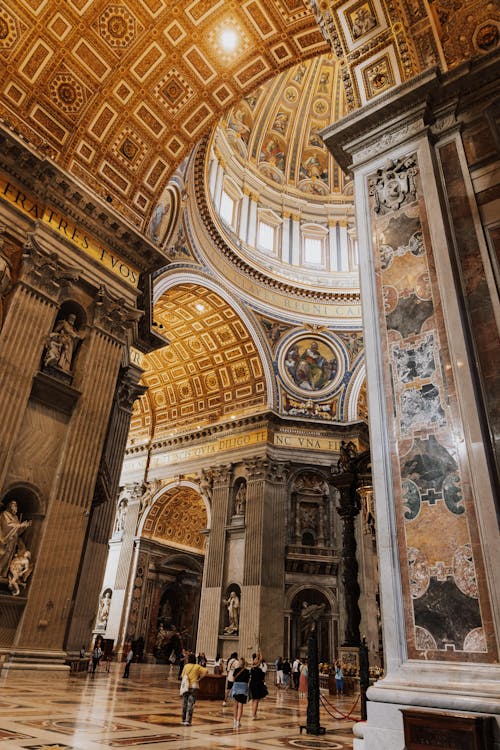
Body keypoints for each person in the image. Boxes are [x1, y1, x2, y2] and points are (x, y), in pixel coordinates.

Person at [0, 499, 31, 579]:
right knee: (3, 554)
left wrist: (24, 526)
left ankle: (2, 572)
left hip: (12, 542)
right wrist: (19, 525)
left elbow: (18, 531)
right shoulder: (5, 514)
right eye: (14, 506)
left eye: (16, 506)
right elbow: (7, 526)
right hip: (5, 540)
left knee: (8, 557)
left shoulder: (16, 517)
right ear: (10, 506)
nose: (16, 508)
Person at [180, 652, 207, 726]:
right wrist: (200, 678)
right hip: (194, 686)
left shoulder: (186, 666)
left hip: (186, 687)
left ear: (188, 659)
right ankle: (188, 721)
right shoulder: (197, 666)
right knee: (190, 704)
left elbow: (182, 676)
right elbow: (206, 671)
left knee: (184, 704)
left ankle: (183, 719)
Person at [230, 657, 250, 729]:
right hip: (243, 688)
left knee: (235, 705)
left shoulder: (236, 670)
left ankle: (235, 720)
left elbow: (233, 680)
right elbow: (248, 680)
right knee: (240, 705)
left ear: (239, 663)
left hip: (236, 687)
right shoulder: (247, 671)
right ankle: (238, 721)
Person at [249, 652, 268, 720]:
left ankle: (253, 713)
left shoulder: (251, 670)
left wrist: (258, 656)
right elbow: (263, 678)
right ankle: (253, 715)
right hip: (257, 686)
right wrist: (260, 655)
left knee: (253, 700)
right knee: (256, 701)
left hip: (252, 685)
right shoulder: (260, 671)